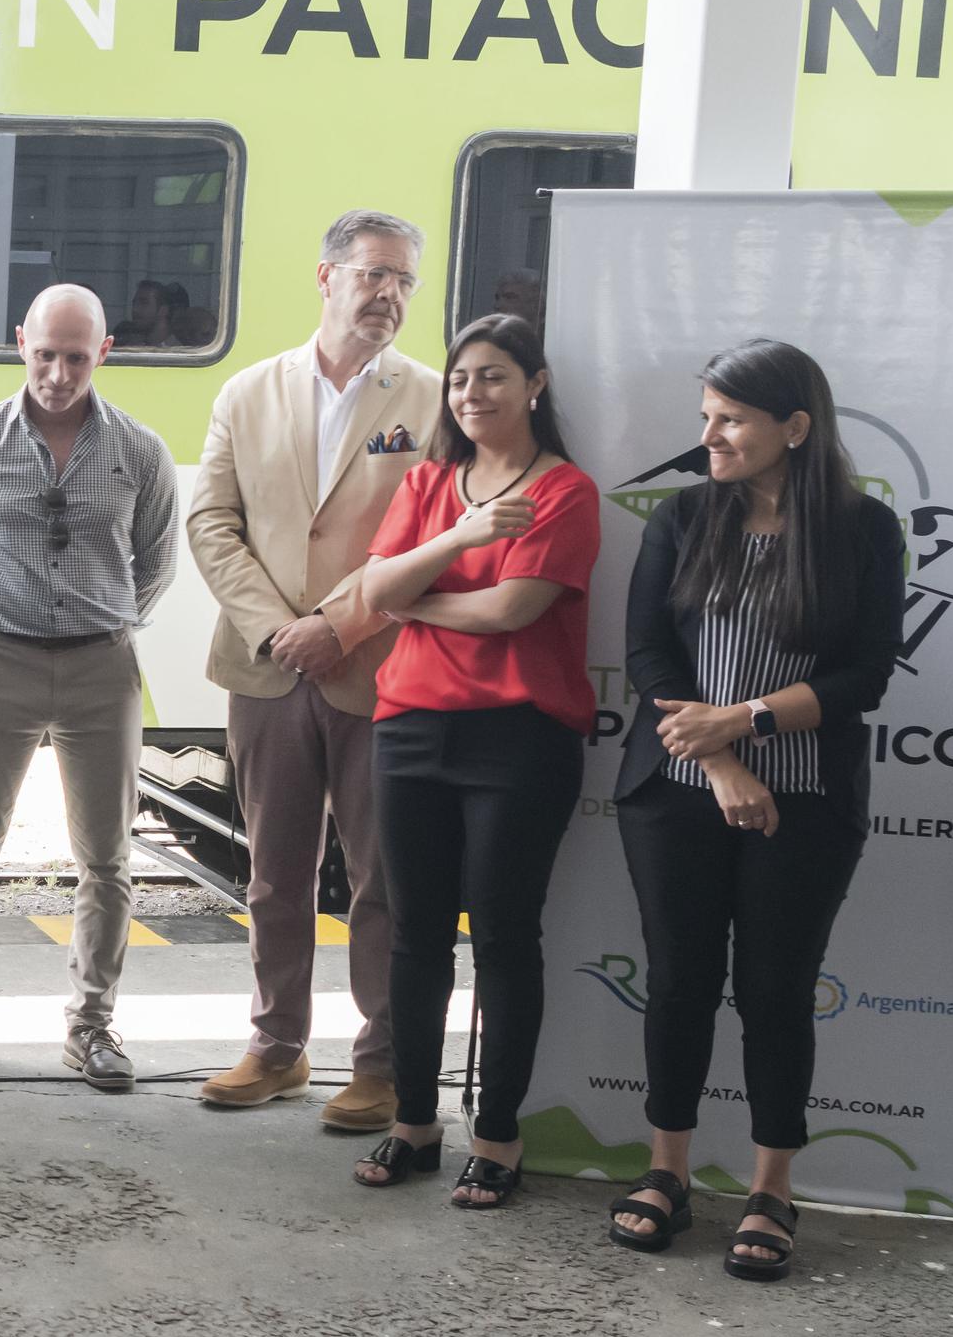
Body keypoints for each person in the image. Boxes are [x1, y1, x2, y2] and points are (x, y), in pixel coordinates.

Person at [601, 340, 905, 1280]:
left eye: (730, 419)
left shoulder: (864, 529)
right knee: (679, 981)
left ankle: (772, 1188)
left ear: (795, 426)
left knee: (775, 991)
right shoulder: (684, 516)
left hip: (807, 800)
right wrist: (725, 760)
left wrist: (747, 718)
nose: (710, 436)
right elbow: (648, 652)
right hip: (676, 792)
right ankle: (668, 1171)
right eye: (707, 417)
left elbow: (865, 676)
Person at [186, 210, 437, 1131]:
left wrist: (340, 624)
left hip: (380, 668)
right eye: (375, 274)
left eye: (404, 281)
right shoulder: (248, 390)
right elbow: (211, 523)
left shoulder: (432, 400)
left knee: (382, 880)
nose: (389, 295)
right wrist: (279, 629)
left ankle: (381, 1062)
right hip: (266, 670)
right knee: (273, 875)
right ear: (327, 277)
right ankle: (277, 1046)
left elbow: (435, 540)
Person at [345, 313, 598, 1207]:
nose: (471, 393)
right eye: (459, 379)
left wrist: (415, 600)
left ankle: (498, 1133)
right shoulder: (426, 481)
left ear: (535, 385)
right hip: (410, 729)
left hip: (520, 738)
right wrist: (462, 536)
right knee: (414, 935)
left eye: (492, 375)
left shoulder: (565, 490)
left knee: (502, 937)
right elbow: (373, 589)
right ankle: (414, 1121)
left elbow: (509, 611)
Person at [0, 283, 182, 1091]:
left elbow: (156, 561)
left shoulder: (139, 451)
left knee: (107, 858)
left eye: (76, 357)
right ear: (19, 345)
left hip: (104, 666)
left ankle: (91, 1025)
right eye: (45, 355)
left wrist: (106, 621)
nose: (59, 375)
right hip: (0, 662)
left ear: (105, 352)